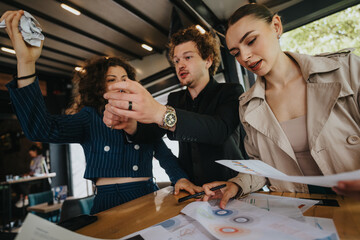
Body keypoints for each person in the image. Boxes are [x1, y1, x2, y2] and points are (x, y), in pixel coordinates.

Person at [2, 10, 189, 214]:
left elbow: (163, 153)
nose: (121, 83)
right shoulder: (89, 117)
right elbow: (41, 129)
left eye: (125, 78)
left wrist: (180, 178)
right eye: (111, 79)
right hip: (110, 201)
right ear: (99, 89)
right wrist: (26, 63)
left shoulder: (143, 117)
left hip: (148, 195)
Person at [202, 3, 360, 208]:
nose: (245, 56)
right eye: (235, 53)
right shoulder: (247, 106)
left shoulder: (346, 69)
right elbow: (262, 168)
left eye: (251, 41)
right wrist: (236, 185)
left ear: (276, 26)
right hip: (302, 212)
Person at [103, 26, 251, 196]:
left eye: (187, 57)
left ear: (208, 60)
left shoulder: (230, 91)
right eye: (176, 60)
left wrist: (161, 113)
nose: (181, 65)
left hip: (229, 187)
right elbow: (153, 133)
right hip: (192, 191)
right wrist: (131, 126)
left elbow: (219, 130)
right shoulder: (175, 99)